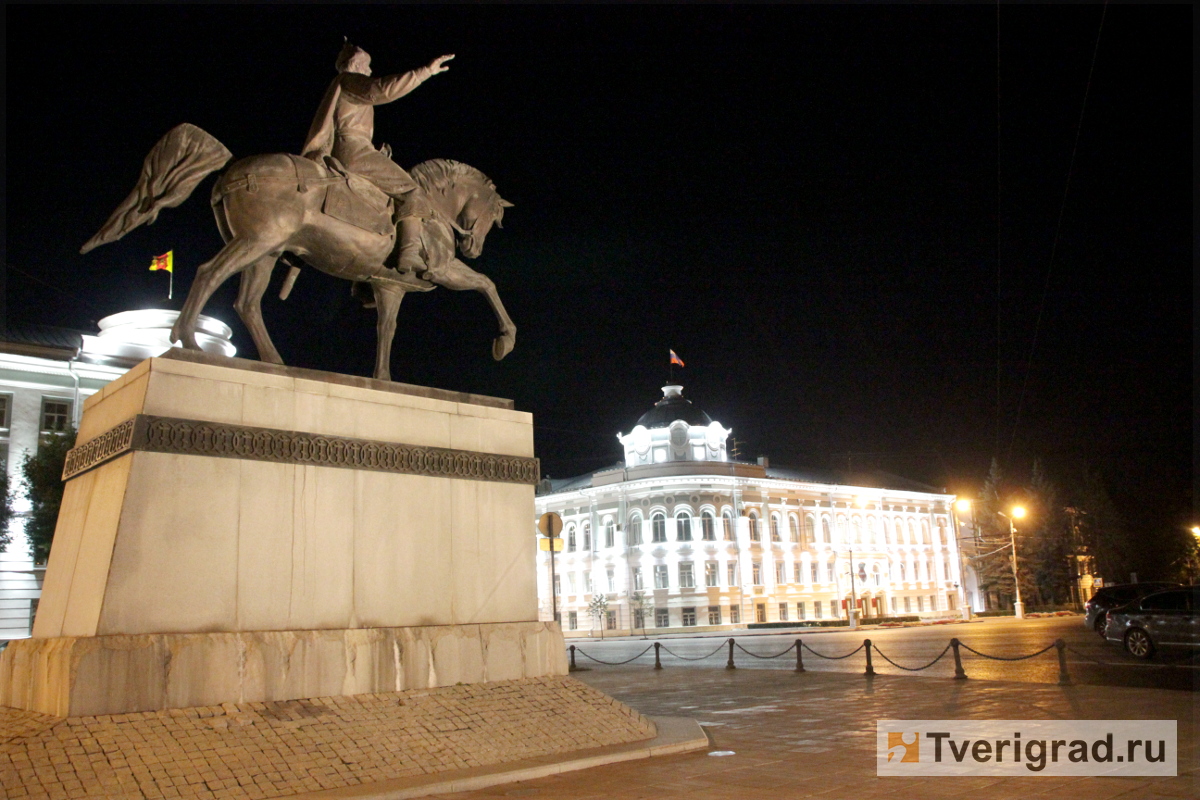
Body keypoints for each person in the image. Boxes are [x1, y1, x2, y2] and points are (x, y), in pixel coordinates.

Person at [302, 42, 454, 273]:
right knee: (413, 191)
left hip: (354, 148)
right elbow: (382, 90)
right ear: (357, 65)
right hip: (355, 151)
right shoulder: (350, 80)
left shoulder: (341, 85)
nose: (370, 71)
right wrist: (425, 72)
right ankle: (409, 253)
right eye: (368, 66)